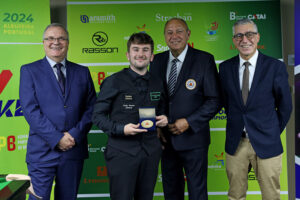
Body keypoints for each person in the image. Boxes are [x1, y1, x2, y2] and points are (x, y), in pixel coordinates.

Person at [19, 23, 96, 200]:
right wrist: (57, 138)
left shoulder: (82, 72)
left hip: (73, 149)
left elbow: (91, 108)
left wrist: (74, 135)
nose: (56, 42)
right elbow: (30, 111)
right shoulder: (29, 71)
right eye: (51, 38)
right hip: (42, 152)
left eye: (61, 38)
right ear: (44, 42)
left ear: (68, 43)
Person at [219, 18, 292, 200]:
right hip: (237, 143)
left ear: (258, 37)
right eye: (239, 35)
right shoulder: (225, 68)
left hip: (268, 142)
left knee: (271, 195)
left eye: (250, 34)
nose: (245, 40)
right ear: (234, 40)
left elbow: (285, 106)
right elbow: (226, 103)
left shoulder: (275, 66)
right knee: (235, 195)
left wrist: (272, 130)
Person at [149, 18, 221, 200]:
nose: (174, 36)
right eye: (169, 32)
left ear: (188, 34)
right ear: (164, 36)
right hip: (166, 141)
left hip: (194, 140)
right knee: (171, 193)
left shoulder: (204, 60)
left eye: (179, 31)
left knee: (197, 193)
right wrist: (155, 125)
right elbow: (151, 98)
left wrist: (189, 122)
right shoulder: (156, 61)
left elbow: (215, 99)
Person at [92, 32, 168, 200]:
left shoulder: (158, 82)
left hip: (150, 153)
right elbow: (97, 115)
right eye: (136, 49)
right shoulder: (114, 81)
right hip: (122, 152)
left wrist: (165, 119)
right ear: (128, 55)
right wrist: (121, 129)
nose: (140, 54)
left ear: (152, 56)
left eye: (145, 50)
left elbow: (163, 109)